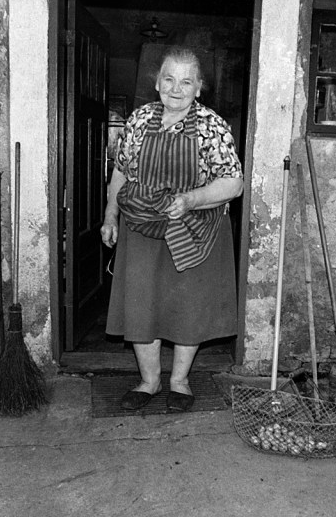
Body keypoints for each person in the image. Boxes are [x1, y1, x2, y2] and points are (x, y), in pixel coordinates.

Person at [101, 46, 244, 413]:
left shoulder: (212, 126)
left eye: (186, 81)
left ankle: (179, 381)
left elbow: (233, 183)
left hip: (193, 230)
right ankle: (149, 381)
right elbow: (121, 172)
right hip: (142, 229)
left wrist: (192, 200)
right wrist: (110, 216)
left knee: (187, 306)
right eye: (169, 78)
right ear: (157, 82)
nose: (176, 88)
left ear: (199, 87)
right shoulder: (138, 120)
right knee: (141, 304)